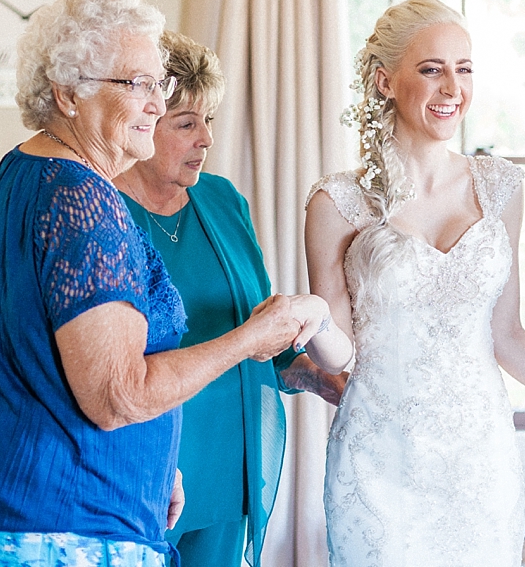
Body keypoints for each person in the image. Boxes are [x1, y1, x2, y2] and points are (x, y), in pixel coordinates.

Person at [0, 0, 323, 566]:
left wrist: (159, 465)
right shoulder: (82, 199)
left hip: (21, 514)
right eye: (136, 84)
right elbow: (118, 395)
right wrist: (248, 340)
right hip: (62, 530)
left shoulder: (24, 173)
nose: (157, 105)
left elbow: (57, 369)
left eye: (158, 84)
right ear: (67, 95)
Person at [304, 0, 525, 567]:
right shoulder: (338, 202)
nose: (452, 87)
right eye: (432, 69)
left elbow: (506, 336)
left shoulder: (499, 186)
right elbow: (338, 352)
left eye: (464, 68)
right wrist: (304, 322)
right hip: (379, 462)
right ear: (385, 82)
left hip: (480, 463)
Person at [113, 31, 349, 567]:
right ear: (142, 123)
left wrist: (315, 373)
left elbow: (259, 328)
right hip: (148, 465)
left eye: (209, 121)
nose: (205, 139)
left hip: (229, 458)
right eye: (186, 123)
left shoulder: (222, 200)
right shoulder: (106, 214)